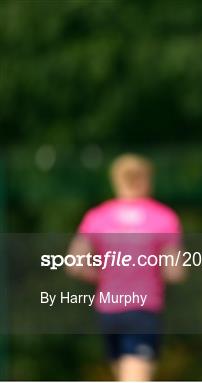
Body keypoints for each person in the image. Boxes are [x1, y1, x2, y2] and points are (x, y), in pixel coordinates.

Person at [66, 154, 185, 381]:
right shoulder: (163, 217)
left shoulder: (97, 216)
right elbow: (175, 272)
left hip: (108, 311)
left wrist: (103, 275)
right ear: (146, 179)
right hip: (143, 309)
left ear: (116, 180)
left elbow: (74, 264)